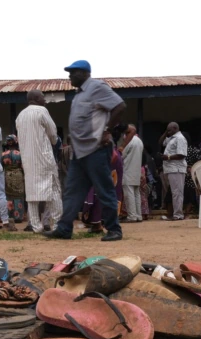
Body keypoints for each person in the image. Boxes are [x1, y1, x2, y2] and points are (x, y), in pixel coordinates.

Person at [44, 60, 126, 242]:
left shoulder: (97, 87)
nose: (70, 76)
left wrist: (107, 130)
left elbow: (119, 106)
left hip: (96, 150)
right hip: (79, 153)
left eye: (73, 73)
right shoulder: (79, 94)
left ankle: (114, 229)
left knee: (104, 190)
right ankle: (64, 229)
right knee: (72, 192)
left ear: (84, 73)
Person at [15, 89, 62, 233]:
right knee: (53, 190)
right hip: (44, 158)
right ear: (35, 98)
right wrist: (54, 142)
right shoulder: (42, 111)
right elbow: (53, 134)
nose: (45, 100)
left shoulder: (20, 115)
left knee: (32, 193)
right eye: (43, 97)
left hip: (28, 161)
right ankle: (56, 224)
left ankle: (35, 226)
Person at [160, 122, 187, 221]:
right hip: (171, 169)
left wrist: (168, 157)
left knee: (177, 192)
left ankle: (178, 215)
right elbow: (160, 143)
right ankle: (176, 214)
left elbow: (182, 154)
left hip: (177, 168)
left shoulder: (180, 138)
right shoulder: (171, 138)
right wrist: (166, 132)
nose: (168, 132)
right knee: (174, 192)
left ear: (175, 128)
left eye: (169, 130)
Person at [121, 124, 143, 223]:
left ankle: (132, 216)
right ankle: (138, 215)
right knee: (136, 194)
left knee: (129, 194)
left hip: (128, 170)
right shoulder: (139, 141)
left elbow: (121, 155)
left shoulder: (129, 141)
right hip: (136, 171)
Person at [1, 135, 26, 223]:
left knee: (9, 196)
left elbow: (1, 168)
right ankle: (18, 216)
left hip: (7, 176)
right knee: (19, 195)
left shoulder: (3, 154)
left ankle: (9, 216)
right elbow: (23, 167)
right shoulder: (20, 154)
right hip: (18, 176)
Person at [182, 132, 201, 215]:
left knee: (189, 192)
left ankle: (187, 211)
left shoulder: (191, 150)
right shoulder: (192, 150)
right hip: (186, 173)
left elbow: (199, 161)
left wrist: (192, 167)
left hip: (188, 174)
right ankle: (186, 210)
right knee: (188, 192)